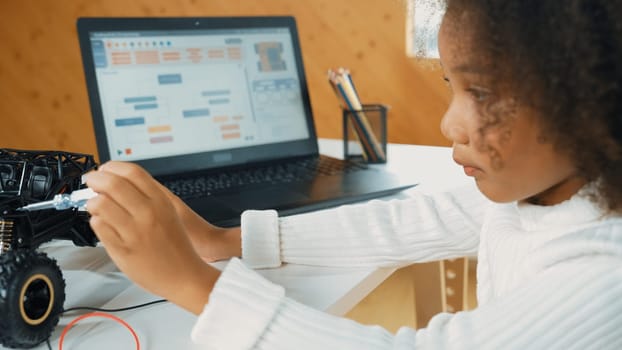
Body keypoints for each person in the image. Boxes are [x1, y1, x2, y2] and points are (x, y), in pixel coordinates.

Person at [84, 0, 622, 348]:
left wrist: (191, 285)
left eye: (479, 93)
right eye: (450, 87)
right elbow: (423, 217)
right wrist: (223, 239)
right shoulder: (550, 191)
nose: (448, 122)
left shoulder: (605, 277)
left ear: (587, 102)